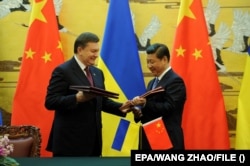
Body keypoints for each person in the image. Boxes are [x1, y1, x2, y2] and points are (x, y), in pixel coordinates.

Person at [45, 32, 128, 157]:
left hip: (94, 142)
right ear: (80, 50)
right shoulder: (63, 71)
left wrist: (121, 107)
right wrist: (76, 98)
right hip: (69, 143)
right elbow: (50, 102)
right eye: (93, 51)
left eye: (97, 51)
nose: (96, 55)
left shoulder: (97, 72)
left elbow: (101, 101)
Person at [130, 43, 186, 150]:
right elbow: (151, 110)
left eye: (152, 62)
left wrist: (145, 103)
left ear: (164, 59)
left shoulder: (175, 81)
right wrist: (139, 113)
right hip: (151, 137)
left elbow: (169, 107)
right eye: (147, 62)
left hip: (168, 139)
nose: (149, 66)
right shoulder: (152, 82)